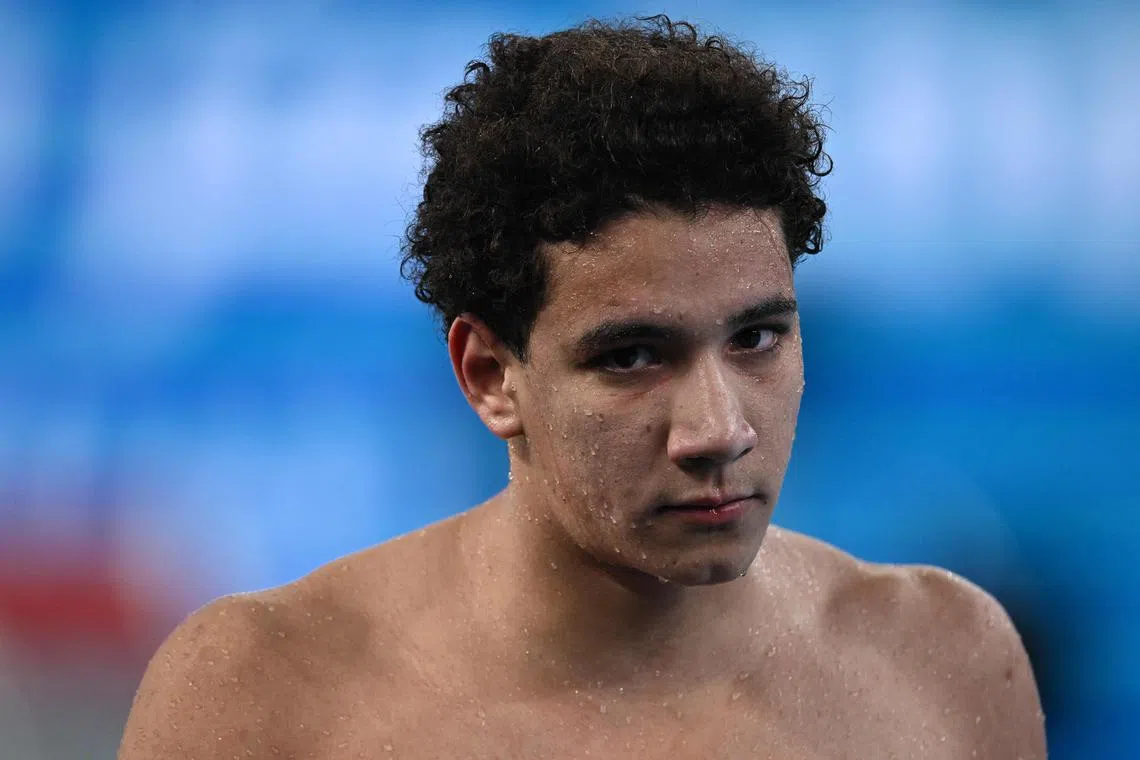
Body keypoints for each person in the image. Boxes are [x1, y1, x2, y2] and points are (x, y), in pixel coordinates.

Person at [118, 16, 1046, 759]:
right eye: (633, 357)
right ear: (490, 376)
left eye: (757, 337)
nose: (719, 430)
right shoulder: (260, 697)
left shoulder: (944, 665)